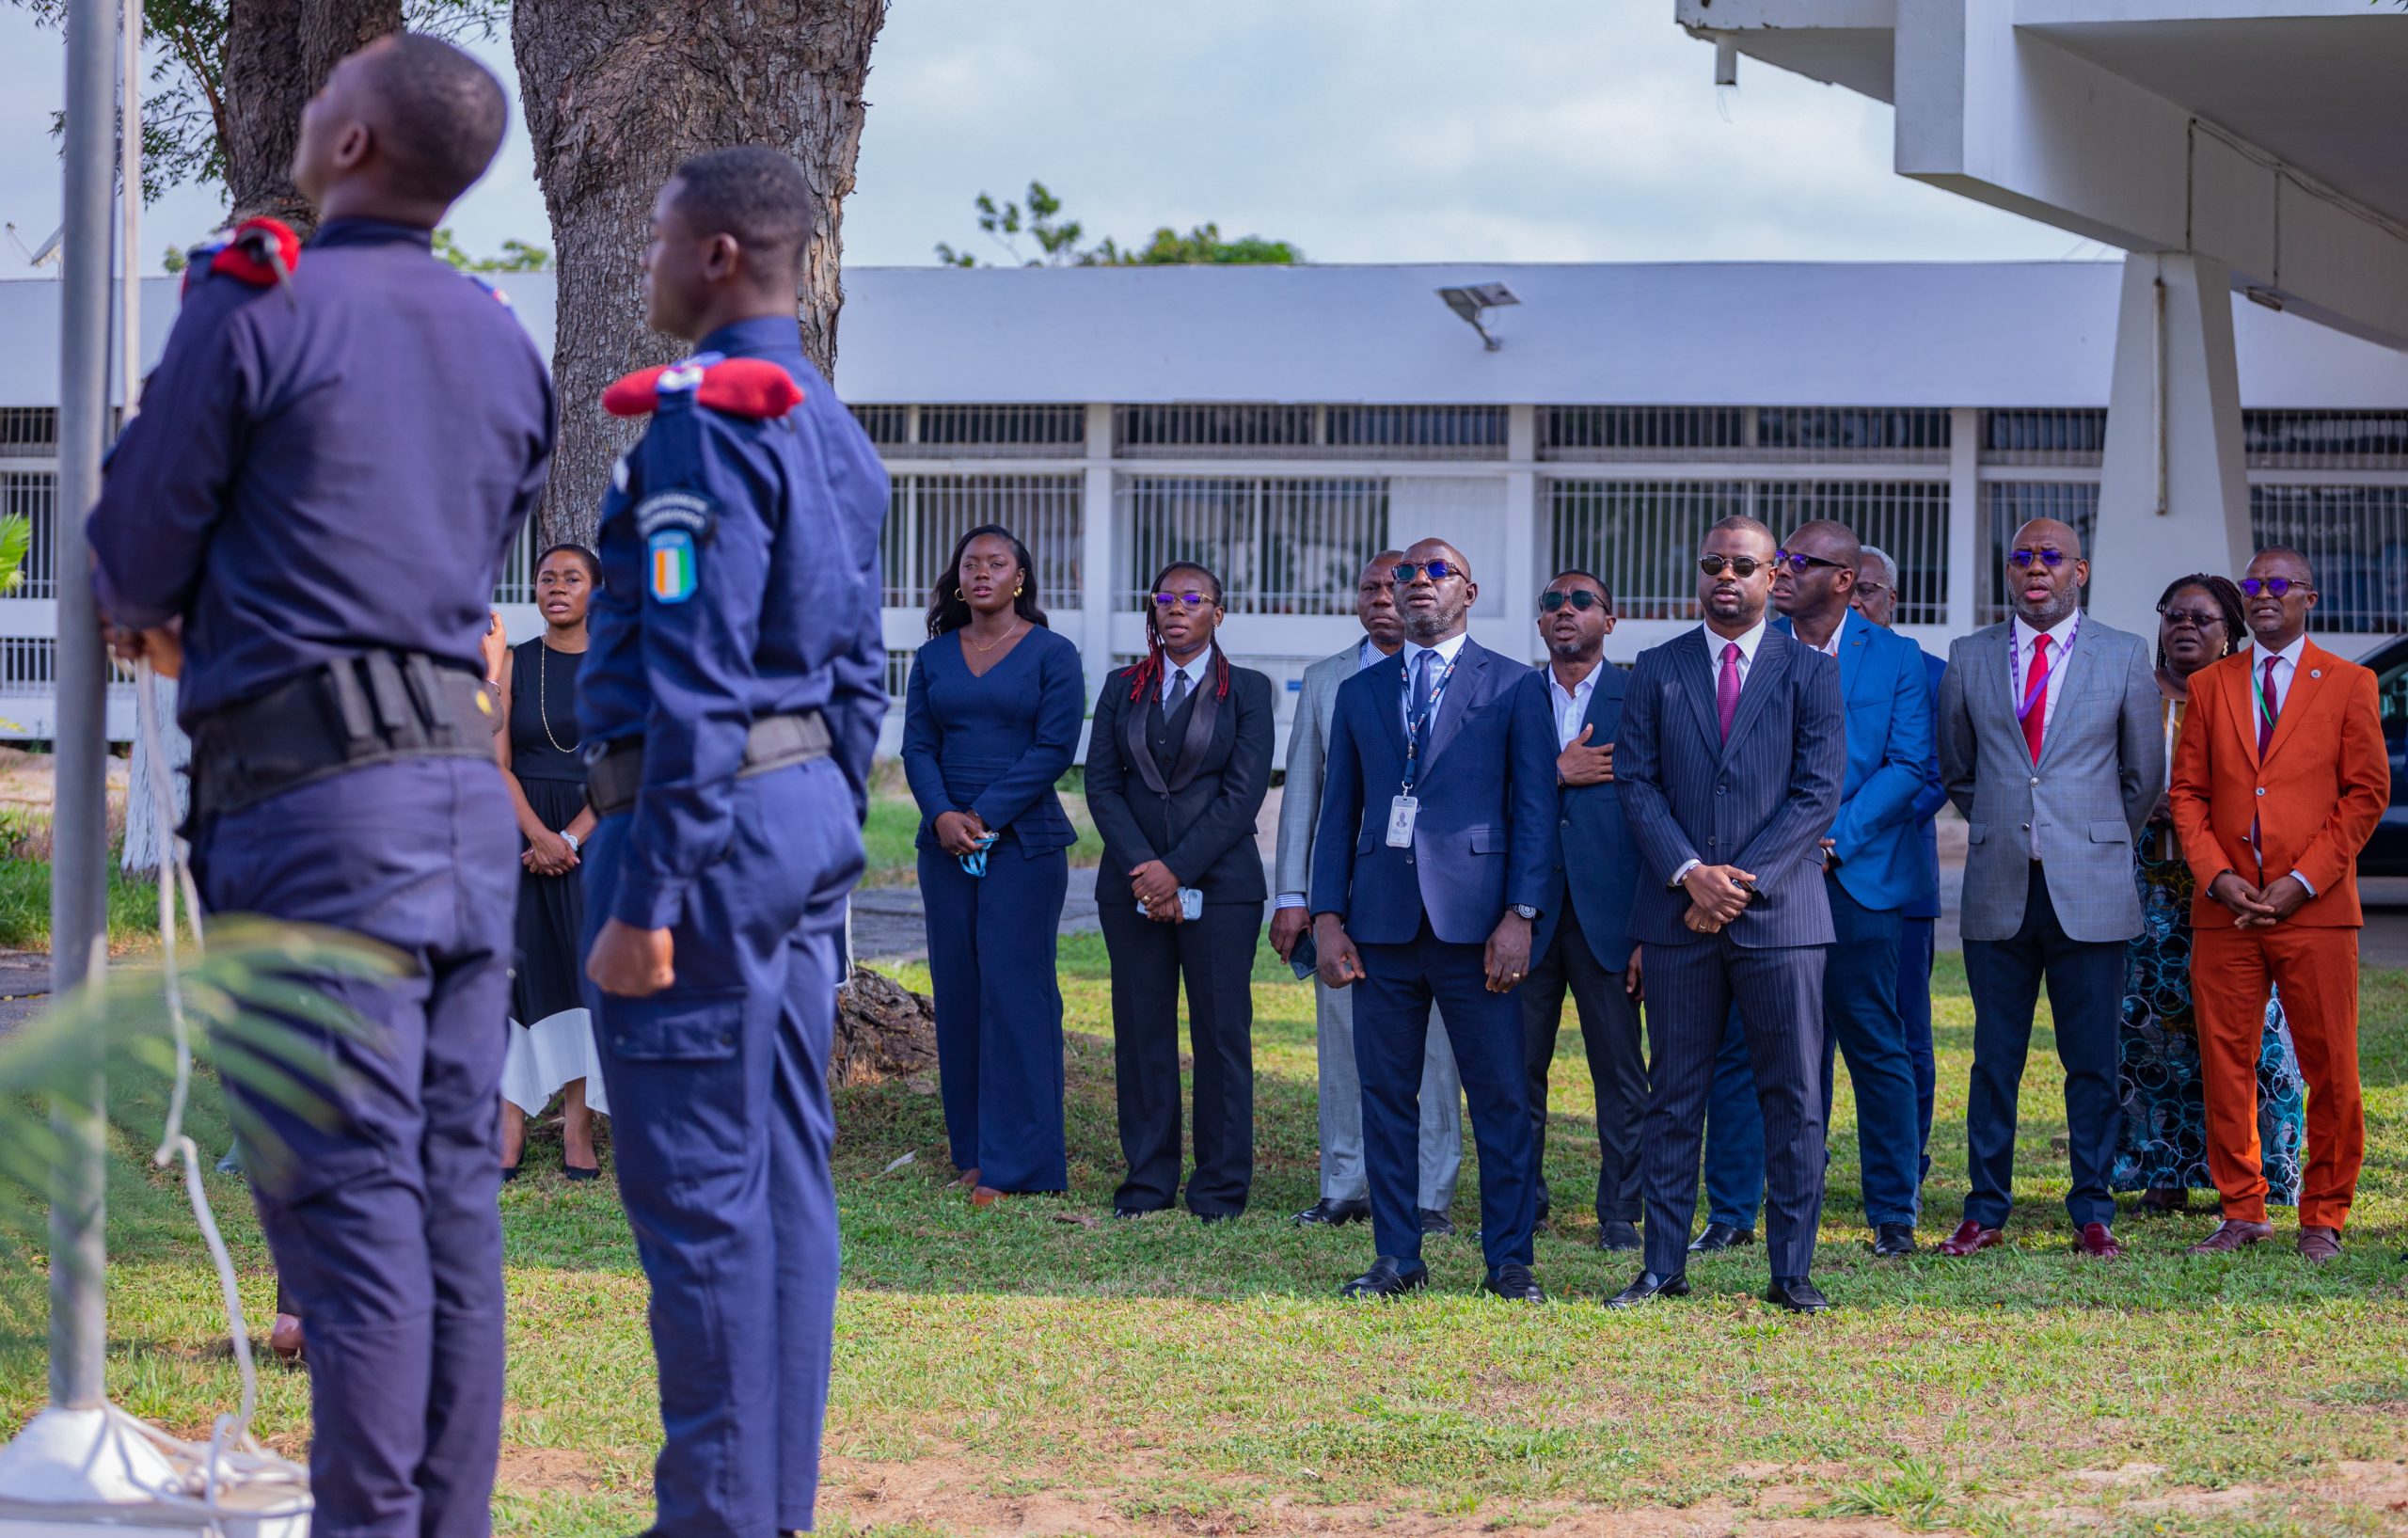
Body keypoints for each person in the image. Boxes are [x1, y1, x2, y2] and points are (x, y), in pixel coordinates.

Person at [87, 36, 552, 1538]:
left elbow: (134, 557)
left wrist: (180, 611)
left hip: (315, 815)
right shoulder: (499, 336)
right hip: (458, 807)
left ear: (353, 143)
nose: (305, 107)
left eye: (326, 91)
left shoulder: (257, 299)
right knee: (447, 1203)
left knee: (349, 1208)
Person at [577, 147, 887, 1538]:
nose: (644, 260)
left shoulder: (701, 420)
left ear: (717, 255)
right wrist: (816, 810)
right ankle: (769, 1506)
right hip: (794, 817)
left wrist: (650, 895)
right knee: (784, 1177)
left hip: (693, 832)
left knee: (701, 1190)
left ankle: (714, 1516)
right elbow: (860, 670)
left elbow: (696, 671)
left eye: (656, 235)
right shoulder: (830, 424)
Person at [1308, 539, 1557, 1302]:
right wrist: (1326, 915)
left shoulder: (1514, 685)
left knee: (1500, 1097)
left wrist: (1521, 915)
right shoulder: (1360, 691)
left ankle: (1508, 1259)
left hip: (1479, 929)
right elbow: (1337, 812)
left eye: (1437, 571)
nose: (1418, 582)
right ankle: (1397, 1256)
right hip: (1380, 925)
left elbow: (1535, 811)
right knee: (1386, 1095)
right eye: (1405, 574)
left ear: (1468, 592)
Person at [1608, 515, 1845, 1314]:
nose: (1726, 577)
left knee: (1793, 1098)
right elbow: (1636, 782)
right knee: (1674, 1095)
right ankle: (1661, 1266)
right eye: (1714, 563)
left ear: (1774, 577)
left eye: (1743, 565)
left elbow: (1818, 791)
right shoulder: (1658, 667)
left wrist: (1737, 885)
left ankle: (1792, 1271)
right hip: (1677, 916)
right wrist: (1689, 874)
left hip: (1782, 919)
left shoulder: (1810, 671)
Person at [1936, 517, 2161, 1260]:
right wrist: (2013, 823)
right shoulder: (1969, 656)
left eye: (2051, 557)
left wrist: (2089, 836)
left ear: (2079, 572)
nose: (2037, 568)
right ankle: (1984, 1209)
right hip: (2000, 883)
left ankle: (2093, 1209)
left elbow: (2143, 778)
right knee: (1994, 1061)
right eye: (2023, 556)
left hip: (2090, 889)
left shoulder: (2123, 654)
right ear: (2009, 571)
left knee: (2092, 1061)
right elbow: (1958, 768)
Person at [2169, 547, 2388, 1262]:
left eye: (2278, 584)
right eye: (2253, 584)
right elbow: (2187, 793)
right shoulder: (2211, 685)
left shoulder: (2350, 683)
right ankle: (2243, 1210)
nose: (2263, 594)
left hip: (2315, 909)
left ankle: (2323, 1216)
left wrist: (2302, 880)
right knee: (2224, 1063)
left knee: (2333, 1069)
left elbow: (2366, 793)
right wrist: (2216, 875)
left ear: (2308, 597)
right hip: (2226, 910)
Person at [1271, 552, 1465, 1233]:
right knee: (1344, 1043)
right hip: (1345, 898)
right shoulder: (1327, 679)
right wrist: (1292, 896)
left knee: (1435, 1049)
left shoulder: (1460, 674)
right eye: (1370, 587)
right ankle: (1345, 1184)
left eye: (1395, 584)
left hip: (1436, 899)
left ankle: (1429, 1193)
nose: (1383, 596)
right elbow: (1304, 794)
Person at [1085, 563, 1275, 1221]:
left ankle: (1219, 1188)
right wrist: (1146, 869)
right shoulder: (1122, 688)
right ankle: (1148, 1180)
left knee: (1221, 1034)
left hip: (1222, 888)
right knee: (1142, 1032)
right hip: (1131, 887)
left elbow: (1242, 793)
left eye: (1192, 599)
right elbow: (1101, 784)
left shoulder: (1249, 690)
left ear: (1217, 613)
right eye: (1164, 598)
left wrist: (1178, 869)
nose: (1176, 608)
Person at [902, 524, 1085, 1205]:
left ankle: (1021, 1163)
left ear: (1020, 578)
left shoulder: (1053, 654)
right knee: (960, 995)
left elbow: (1054, 747)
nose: (982, 573)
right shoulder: (933, 657)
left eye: (997, 563)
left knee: (1017, 995)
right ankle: (975, 1152)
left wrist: (981, 815)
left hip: (1024, 844)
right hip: (944, 846)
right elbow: (917, 746)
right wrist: (942, 816)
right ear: (957, 580)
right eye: (970, 563)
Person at [2113, 573, 2305, 1214]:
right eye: (2174, 616)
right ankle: (2162, 1169)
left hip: (2235, 883)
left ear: (2230, 633)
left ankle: (2259, 1170)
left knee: (2248, 1031)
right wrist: (2141, 805)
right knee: (2149, 1031)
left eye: (2202, 618)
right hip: (2143, 885)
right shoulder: (2130, 693)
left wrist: (2201, 813)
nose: (2185, 627)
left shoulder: (2252, 693)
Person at [1514, 570, 1647, 1251]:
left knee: (1622, 1074)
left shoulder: (1643, 697)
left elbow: (1663, 811)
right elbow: (1483, 793)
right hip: (1524, 917)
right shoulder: (1510, 696)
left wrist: (1650, 928)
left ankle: (1621, 1211)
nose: (1565, 610)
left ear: (1610, 620)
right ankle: (1521, 1204)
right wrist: (1555, 772)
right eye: (1552, 603)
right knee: (1517, 1071)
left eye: (1582, 601)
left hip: (1612, 919)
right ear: (1541, 623)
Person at [496, 545, 607, 1180]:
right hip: (520, 833)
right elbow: (497, 762)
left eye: (571, 578)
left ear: (595, 591)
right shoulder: (515, 661)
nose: (556, 587)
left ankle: (578, 1123)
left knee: (580, 976)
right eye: (546, 578)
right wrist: (538, 835)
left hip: (593, 831)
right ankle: (509, 1123)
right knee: (520, 974)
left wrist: (569, 838)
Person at [1852, 545, 1949, 1181]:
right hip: (1804, 878)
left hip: (1899, 880)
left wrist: (1849, 834)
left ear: (1893, 599)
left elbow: (1936, 775)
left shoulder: (1930, 673)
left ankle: (1903, 1166)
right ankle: (1801, 1161)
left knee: (1904, 1029)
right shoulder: (1800, 663)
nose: (1856, 600)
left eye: (1868, 589)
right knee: (1804, 1034)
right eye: (1847, 588)